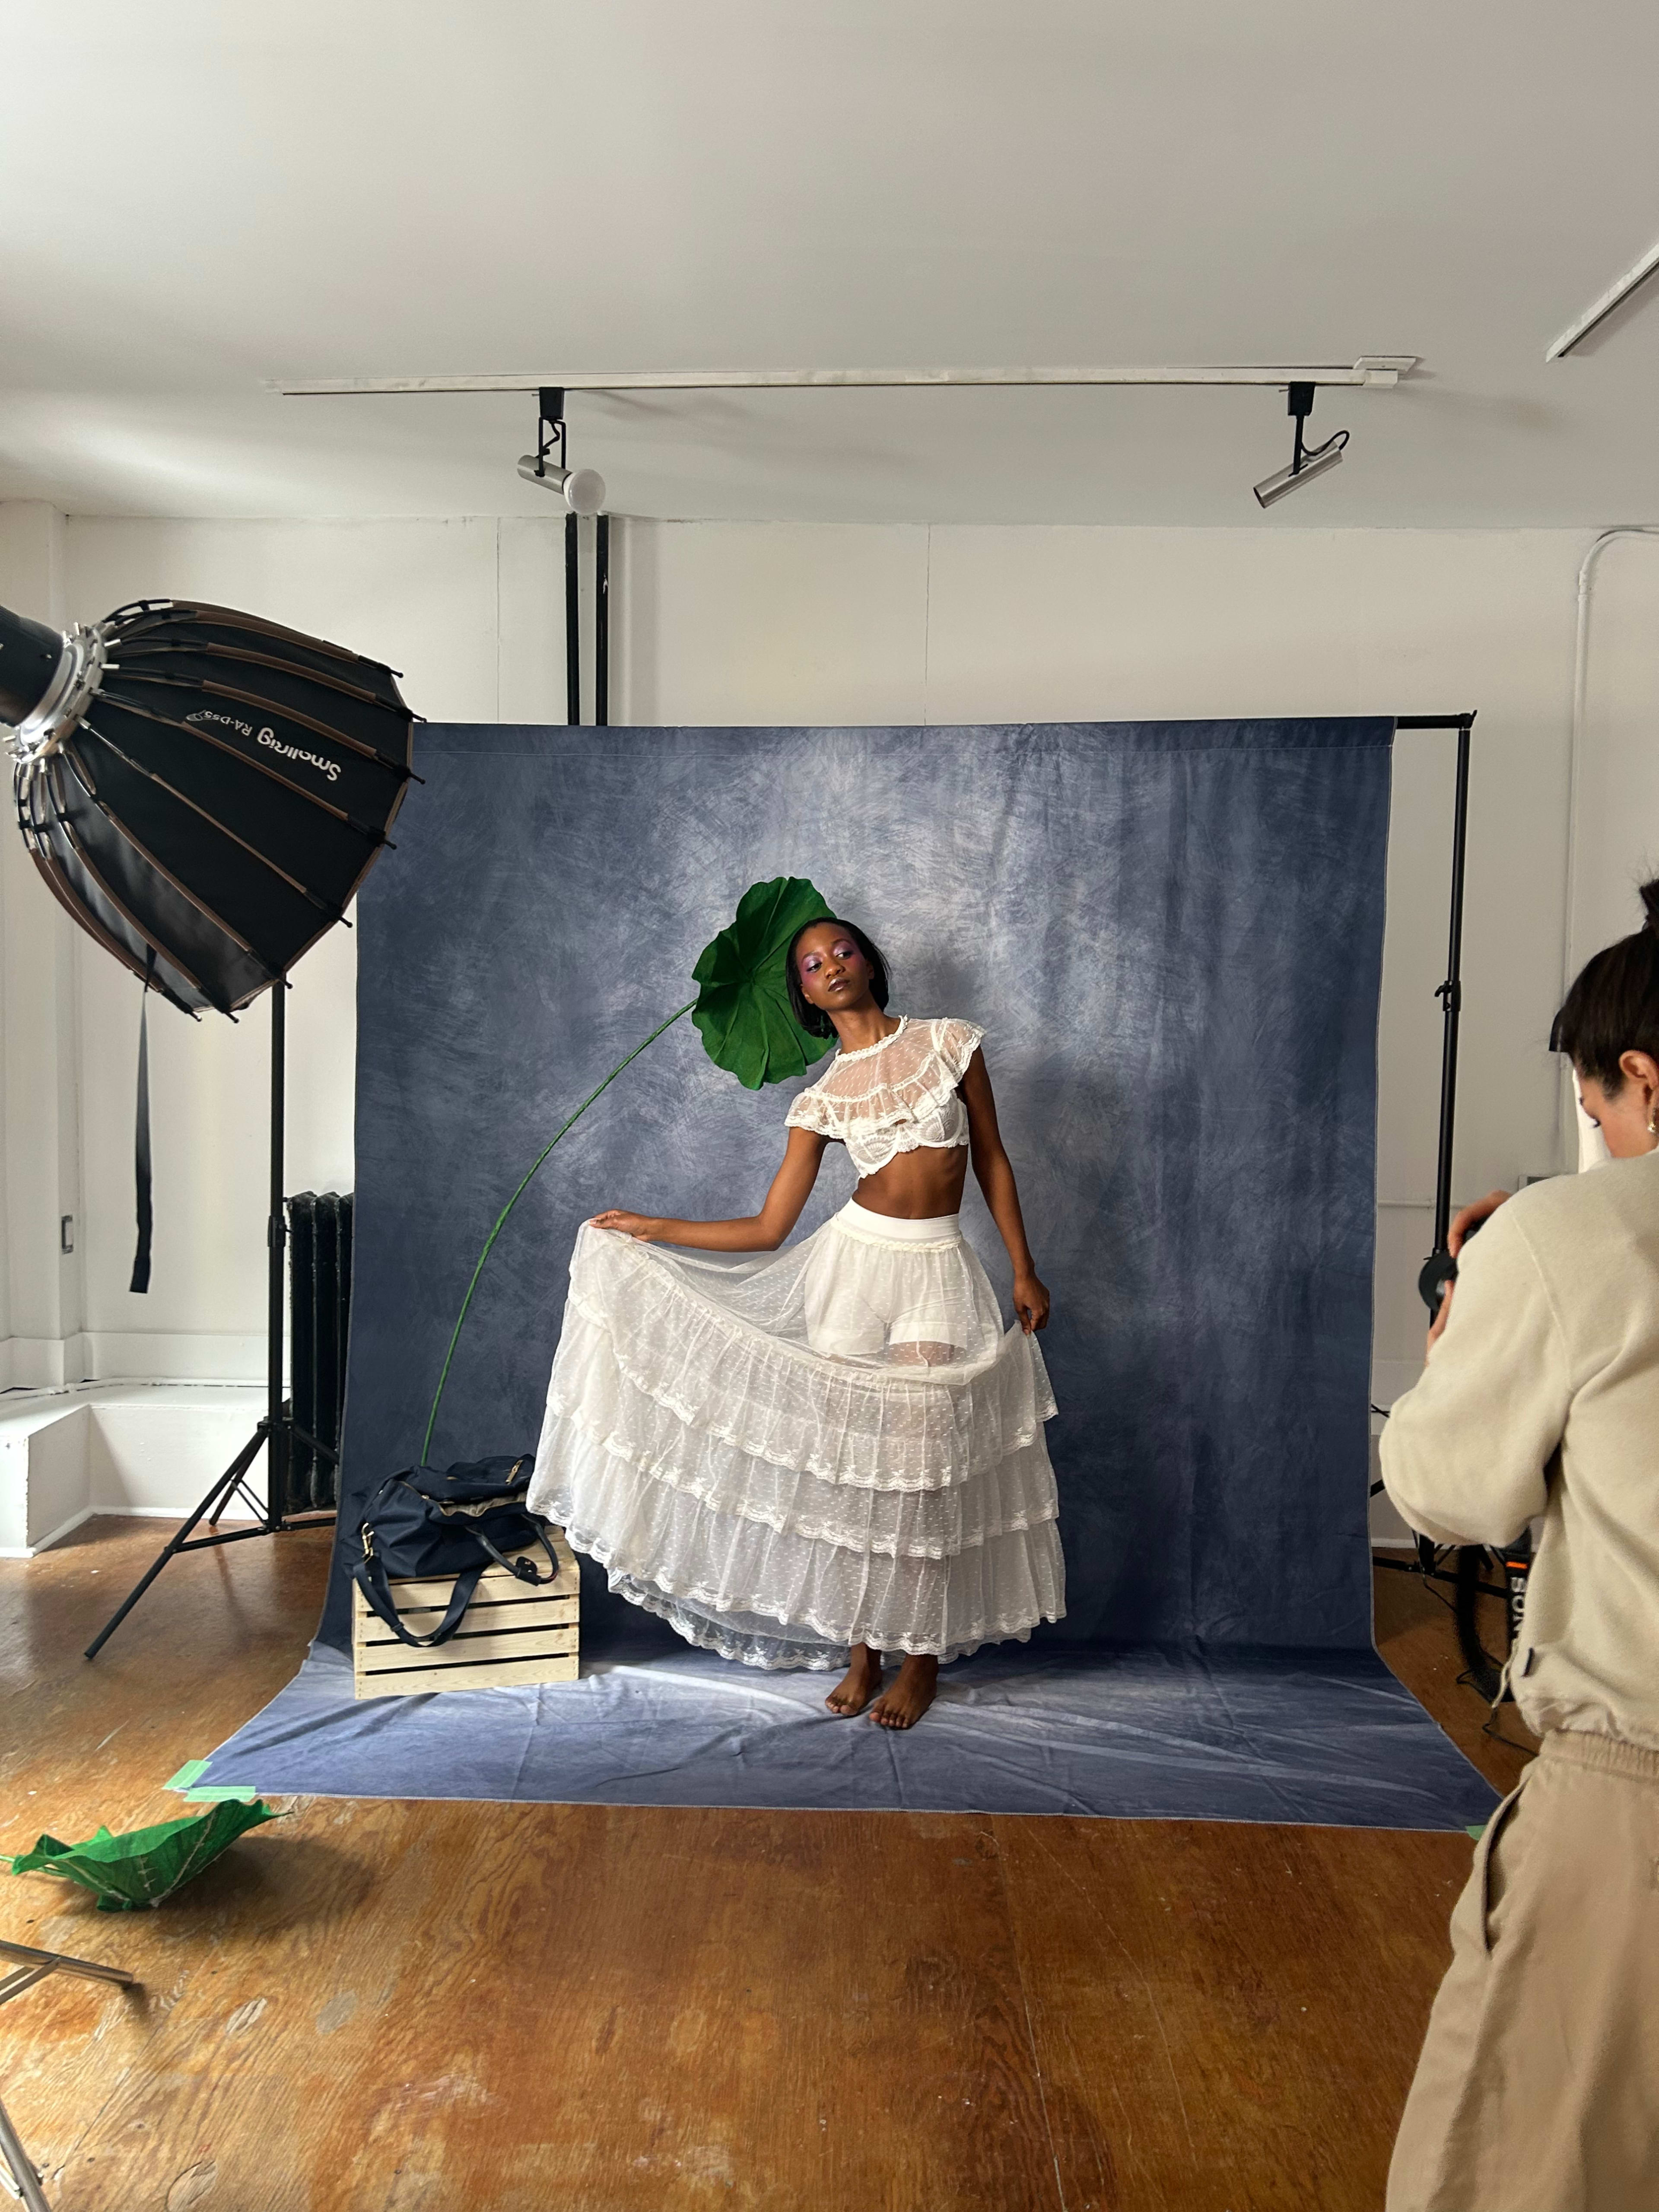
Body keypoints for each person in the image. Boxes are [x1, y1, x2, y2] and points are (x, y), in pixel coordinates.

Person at [528, 915, 1065, 1729]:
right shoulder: (819, 1099)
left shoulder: (950, 1042)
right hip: (852, 1270)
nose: (831, 966)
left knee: (924, 1471)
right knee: (855, 1473)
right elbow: (767, 1229)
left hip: (937, 1266)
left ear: (870, 962)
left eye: (841, 951)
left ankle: (919, 1661)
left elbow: (990, 1155)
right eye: (812, 965)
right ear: (806, 995)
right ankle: (863, 1655)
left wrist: (1022, 1266)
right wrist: (651, 1226)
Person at [1381, 878, 1659, 2211]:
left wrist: (1465, 1330)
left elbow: (1454, 1493)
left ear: (1641, 1083)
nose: (1596, 1133)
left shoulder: (1571, 1231)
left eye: (1599, 1107)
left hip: (1636, 1818)